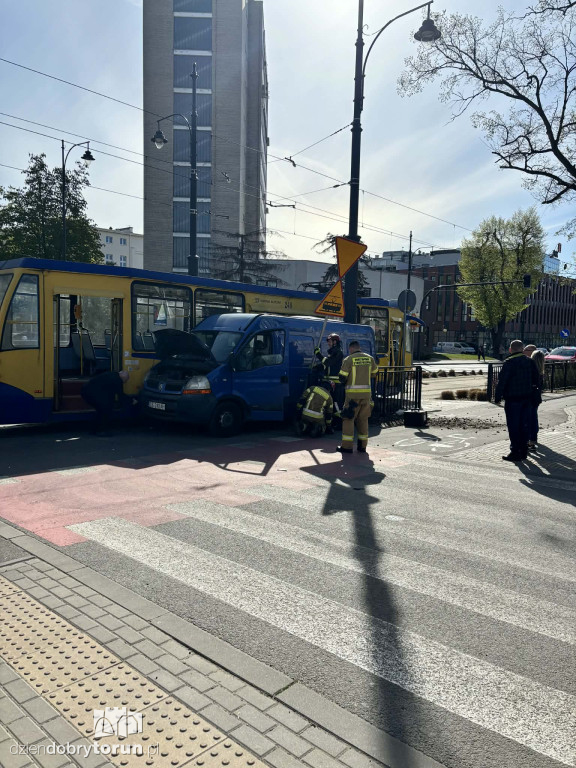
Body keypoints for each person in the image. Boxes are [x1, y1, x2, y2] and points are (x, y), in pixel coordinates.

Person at [494, 340, 540, 461]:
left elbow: (502, 382)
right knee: (524, 425)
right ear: (522, 349)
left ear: (510, 350)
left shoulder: (509, 363)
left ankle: (515, 451)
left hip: (513, 399)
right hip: (528, 399)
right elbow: (537, 380)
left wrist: (497, 397)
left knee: (513, 426)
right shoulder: (530, 362)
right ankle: (524, 451)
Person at [337, 341, 378, 454]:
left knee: (348, 419)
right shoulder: (370, 358)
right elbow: (374, 373)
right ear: (359, 348)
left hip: (352, 396)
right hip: (366, 396)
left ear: (351, 349)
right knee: (363, 419)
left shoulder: (349, 359)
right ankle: (362, 446)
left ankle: (347, 447)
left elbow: (342, 377)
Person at [81, 370, 130, 436]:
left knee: (101, 411)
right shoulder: (117, 380)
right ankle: (101, 431)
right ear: (123, 377)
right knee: (105, 411)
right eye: (125, 381)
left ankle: (94, 430)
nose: (125, 382)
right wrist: (131, 400)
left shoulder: (112, 374)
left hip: (87, 391)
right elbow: (120, 395)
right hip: (93, 393)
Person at [314, 333, 344, 410]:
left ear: (335, 342)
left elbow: (328, 362)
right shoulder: (332, 353)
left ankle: (338, 419)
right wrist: (317, 367)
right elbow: (326, 365)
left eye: (329, 341)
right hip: (330, 382)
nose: (328, 343)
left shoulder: (338, 352)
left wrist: (318, 354)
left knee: (335, 402)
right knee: (329, 402)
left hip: (336, 384)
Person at [528, 349, 546, 450]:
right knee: (534, 417)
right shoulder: (541, 371)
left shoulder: (530, 369)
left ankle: (529, 440)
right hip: (536, 397)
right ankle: (533, 439)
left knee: (527, 418)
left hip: (528, 397)